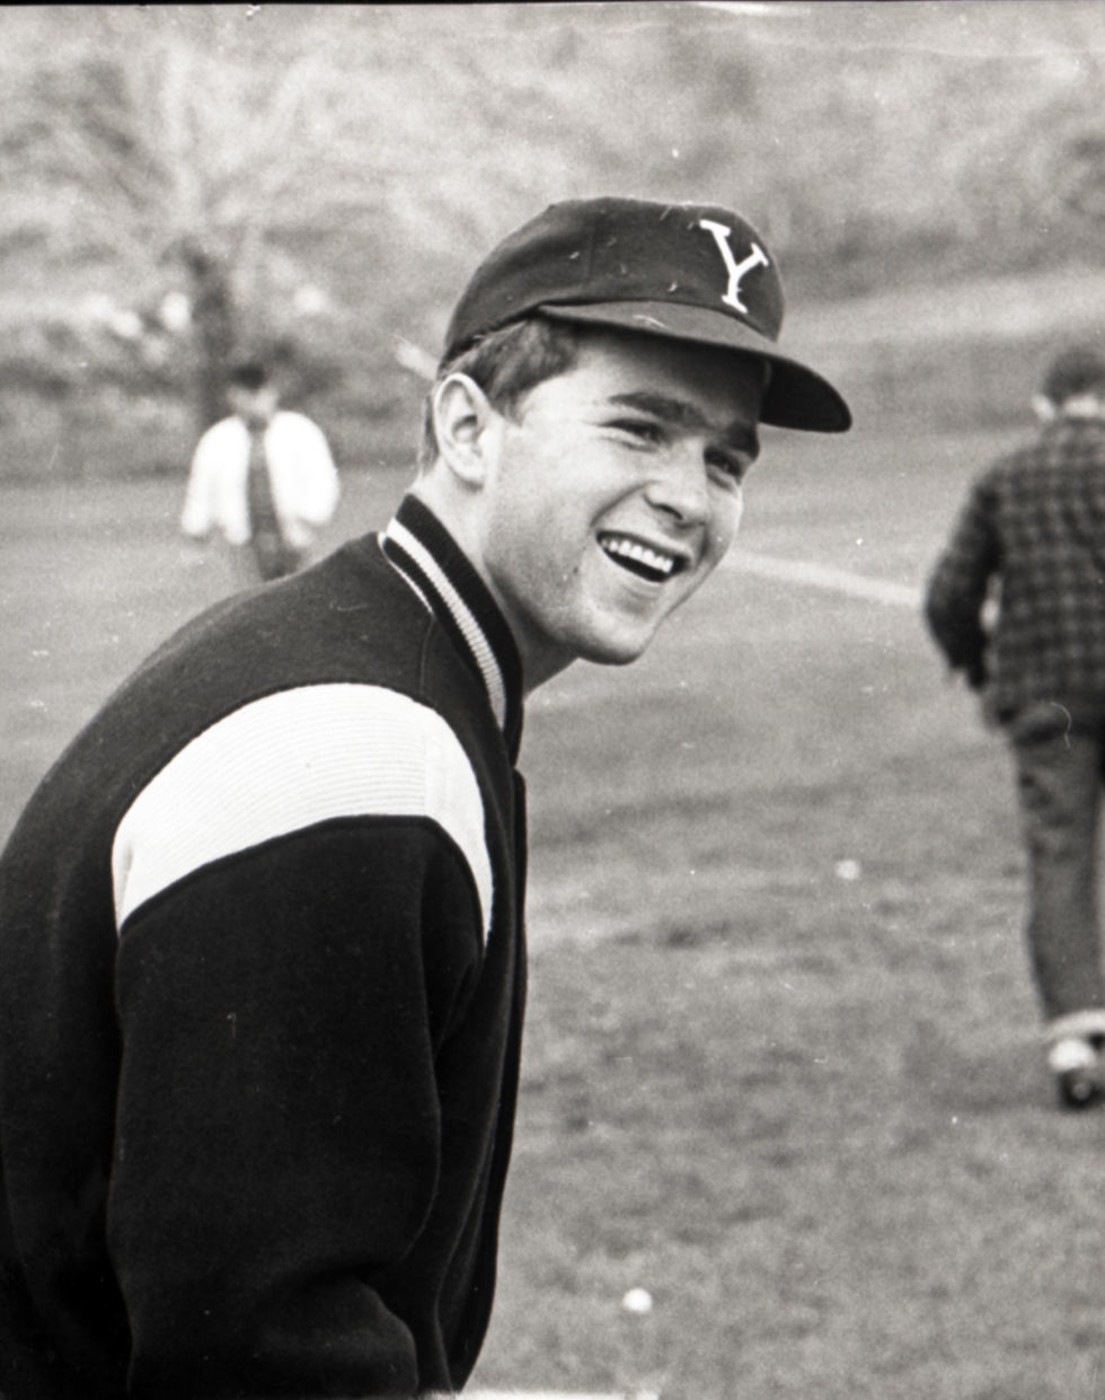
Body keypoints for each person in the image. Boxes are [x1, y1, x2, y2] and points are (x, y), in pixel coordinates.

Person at [0, 195, 851, 1398]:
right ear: (466, 425)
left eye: (724, 458)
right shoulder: (360, 746)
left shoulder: (369, 655)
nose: (689, 496)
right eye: (639, 428)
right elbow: (254, 1354)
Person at [925, 343, 1105, 1111]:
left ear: (1046, 403)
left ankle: (1074, 1041)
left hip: (1046, 700)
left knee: (1059, 856)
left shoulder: (1005, 475)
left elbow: (949, 594)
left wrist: (974, 665)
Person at [180, 359, 341, 582]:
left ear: (272, 392)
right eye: (244, 395)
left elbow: (322, 478)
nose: (253, 402)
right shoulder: (218, 439)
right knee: (254, 596)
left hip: (294, 535)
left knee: (298, 593)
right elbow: (201, 490)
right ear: (233, 396)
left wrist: (311, 515)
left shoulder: (300, 431)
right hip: (243, 542)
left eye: (258, 394)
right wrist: (196, 533)